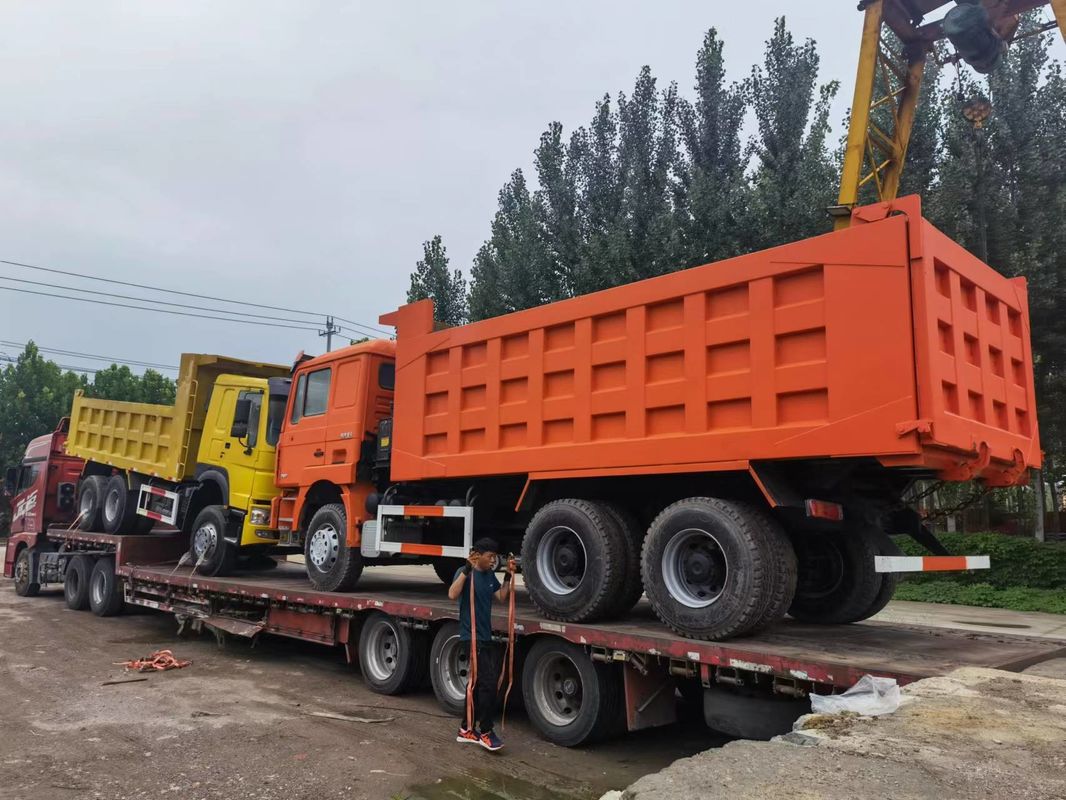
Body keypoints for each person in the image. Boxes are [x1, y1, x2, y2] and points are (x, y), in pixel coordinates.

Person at [447, 537, 516, 752]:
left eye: (495, 557)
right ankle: (485, 731)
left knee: (478, 685)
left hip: (485, 637)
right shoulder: (464, 572)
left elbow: (502, 597)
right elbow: (452, 594)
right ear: (478, 555)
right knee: (486, 683)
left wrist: (507, 575)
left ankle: (466, 729)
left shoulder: (488, 576)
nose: (493, 560)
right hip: (471, 637)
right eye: (490, 557)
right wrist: (467, 569)